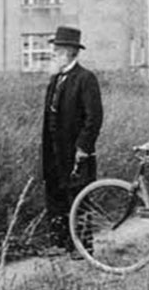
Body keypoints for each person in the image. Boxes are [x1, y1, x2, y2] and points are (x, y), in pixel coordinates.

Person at [41, 26, 103, 258]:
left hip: (75, 151)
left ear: (70, 52)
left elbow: (94, 117)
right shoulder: (55, 79)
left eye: (57, 49)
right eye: (54, 49)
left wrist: (84, 148)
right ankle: (59, 242)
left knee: (79, 195)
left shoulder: (85, 79)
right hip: (54, 151)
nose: (53, 53)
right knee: (55, 194)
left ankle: (82, 247)